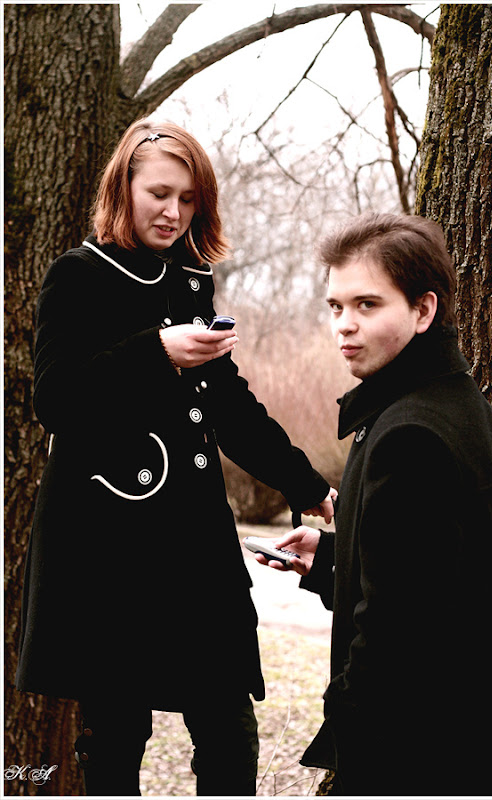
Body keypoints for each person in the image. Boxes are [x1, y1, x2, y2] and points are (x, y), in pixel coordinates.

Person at [15, 117, 335, 797]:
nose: (173, 211)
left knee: (228, 726)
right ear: (123, 189)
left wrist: (306, 484)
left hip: (196, 543)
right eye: (159, 193)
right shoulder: (77, 276)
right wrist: (157, 352)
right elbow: (56, 399)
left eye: (188, 199)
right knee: (116, 736)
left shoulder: (191, 281)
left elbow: (227, 405)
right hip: (109, 545)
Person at [254, 213, 492, 796]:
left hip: (420, 757)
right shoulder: (454, 403)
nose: (344, 325)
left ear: (423, 311)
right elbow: (441, 575)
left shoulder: (411, 437)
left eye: (367, 305)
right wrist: (331, 558)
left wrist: (352, 750)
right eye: (335, 306)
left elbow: (395, 638)